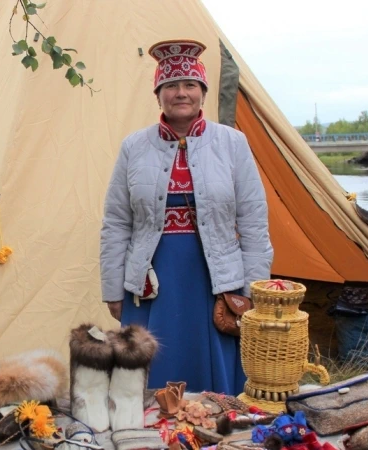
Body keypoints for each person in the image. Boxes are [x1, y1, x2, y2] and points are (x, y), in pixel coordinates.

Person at [99, 40, 273, 395]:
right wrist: (113, 287)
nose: (181, 93)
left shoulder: (232, 144)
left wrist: (255, 287)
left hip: (215, 277)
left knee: (213, 372)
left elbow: (253, 219)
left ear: (202, 92)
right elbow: (116, 222)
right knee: (151, 369)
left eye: (190, 85)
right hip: (152, 280)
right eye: (171, 86)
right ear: (158, 94)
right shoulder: (134, 147)